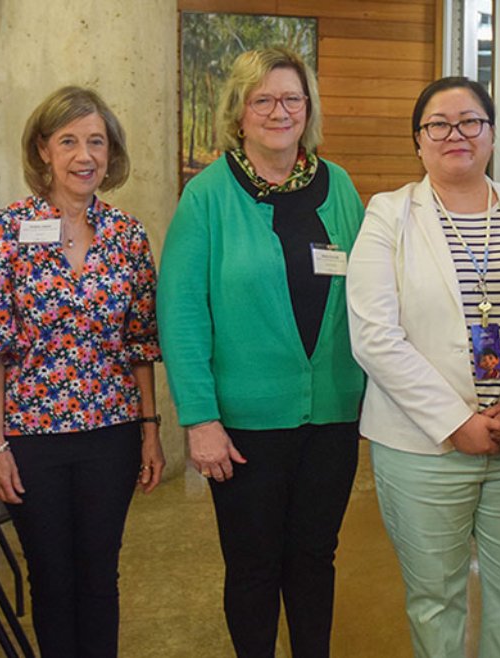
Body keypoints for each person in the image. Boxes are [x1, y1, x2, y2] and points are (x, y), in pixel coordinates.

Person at [157, 48, 365, 658]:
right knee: (252, 566)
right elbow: (182, 313)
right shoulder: (207, 195)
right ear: (239, 113)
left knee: (315, 558)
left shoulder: (339, 185)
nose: (280, 112)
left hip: (331, 416)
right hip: (244, 426)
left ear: (309, 109)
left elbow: (372, 294)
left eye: (292, 99)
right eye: (263, 100)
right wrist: (199, 418)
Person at [346, 76, 500, 658]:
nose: (455, 134)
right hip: (421, 448)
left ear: (491, 134)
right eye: (437, 124)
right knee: (435, 600)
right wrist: (454, 422)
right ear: (418, 141)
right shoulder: (388, 215)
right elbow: (374, 336)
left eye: (470, 122)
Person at [0, 86, 163, 657]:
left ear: (111, 151)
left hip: (111, 434)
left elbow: (140, 343)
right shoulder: (7, 230)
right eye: (68, 141)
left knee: (100, 575)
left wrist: (150, 429)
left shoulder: (127, 236)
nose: (84, 155)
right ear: (43, 149)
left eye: (96, 141)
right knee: (51, 575)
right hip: (30, 439)